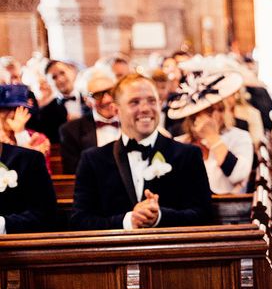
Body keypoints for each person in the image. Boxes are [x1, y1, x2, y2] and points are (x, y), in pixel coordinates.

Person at [70, 73, 212, 230]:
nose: (145, 109)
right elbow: (80, 220)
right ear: (116, 110)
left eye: (151, 101)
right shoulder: (93, 160)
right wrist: (128, 221)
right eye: (134, 102)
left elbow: (204, 215)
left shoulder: (187, 155)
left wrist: (160, 217)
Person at [168, 72, 254, 194]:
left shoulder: (240, 137)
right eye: (208, 111)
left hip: (229, 209)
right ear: (193, 117)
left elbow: (237, 175)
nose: (215, 116)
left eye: (219, 110)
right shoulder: (180, 144)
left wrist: (213, 138)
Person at [0, 84, 57, 233]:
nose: (12, 114)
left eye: (19, 109)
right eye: (7, 109)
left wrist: (20, 134)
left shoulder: (38, 138)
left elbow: (40, 182)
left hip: (23, 214)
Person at [59, 72, 121, 174]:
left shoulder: (133, 123)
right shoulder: (71, 131)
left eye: (111, 92)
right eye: (97, 95)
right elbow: (73, 175)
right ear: (87, 100)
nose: (107, 100)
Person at [31, 60, 91, 143]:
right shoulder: (46, 112)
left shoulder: (91, 100)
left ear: (72, 72)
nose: (60, 79)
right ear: (49, 82)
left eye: (62, 73)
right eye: (54, 77)